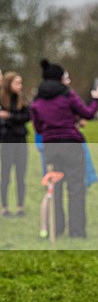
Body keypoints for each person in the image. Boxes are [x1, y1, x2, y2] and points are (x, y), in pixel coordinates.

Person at [30, 60, 98, 238]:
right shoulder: (68, 95)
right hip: (71, 144)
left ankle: (57, 228)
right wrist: (96, 99)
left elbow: (38, 128)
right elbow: (88, 113)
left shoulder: (37, 101)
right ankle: (77, 232)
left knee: (54, 189)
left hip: (50, 147)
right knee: (76, 189)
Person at [0, 71, 31, 217]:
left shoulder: (21, 99)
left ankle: (20, 206)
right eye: (17, 83)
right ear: (8, 84)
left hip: (20, 141)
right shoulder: (1, 100)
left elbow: (26, 117)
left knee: (21, 175)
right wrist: (13, 120)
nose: (20, 86)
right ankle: (5, 206)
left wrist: (10, 117)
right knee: (5, 175)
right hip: (6, 141)